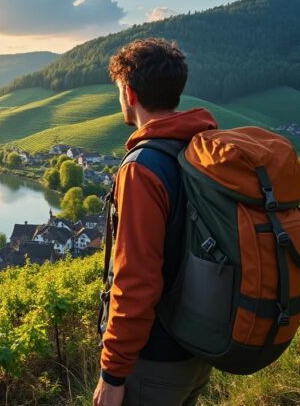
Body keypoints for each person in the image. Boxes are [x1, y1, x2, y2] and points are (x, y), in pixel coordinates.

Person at [93, 38, 217, 406]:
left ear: (129, 94)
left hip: (155, 361)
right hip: (198, 347)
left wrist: (113, 374)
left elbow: (136, 281)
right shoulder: (200, 149)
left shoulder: (143, 169)